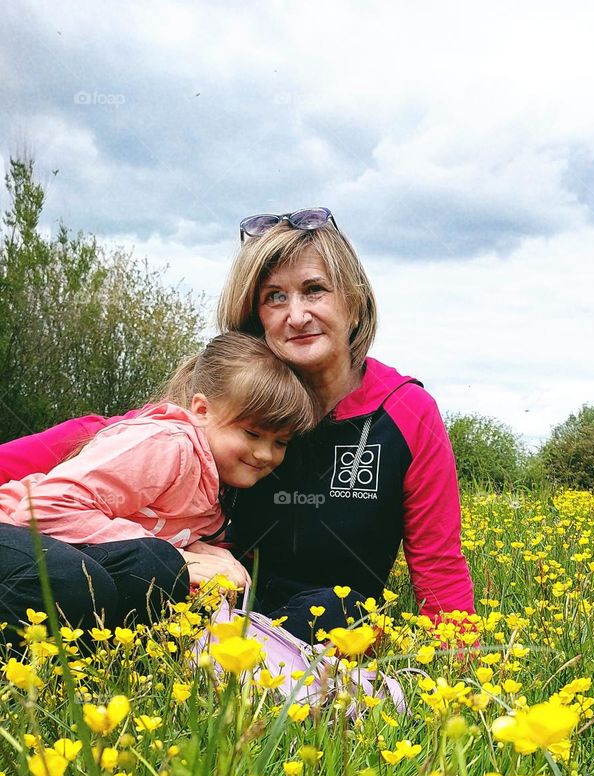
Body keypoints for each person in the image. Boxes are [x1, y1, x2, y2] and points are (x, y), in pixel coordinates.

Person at [0, 207, 475, 642]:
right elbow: (103, 436)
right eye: (274, 297)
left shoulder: (406, 410)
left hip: (326, 621)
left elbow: (437, 562)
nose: (297, 315)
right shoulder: (235, 395)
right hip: (200, 606)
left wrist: (462, 676)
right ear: (256, 317)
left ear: (353, 300)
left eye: (315, 289)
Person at [0, 333, 315, 632]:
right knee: (102, 575)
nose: (264, 454)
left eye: (281, 443)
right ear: (202, 410)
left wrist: (198, 549)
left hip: (52, 549)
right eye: (252, 434)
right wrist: (178, 555)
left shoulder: (218, 481)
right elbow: (42, 508)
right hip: (12, 530)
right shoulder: (167, 445)